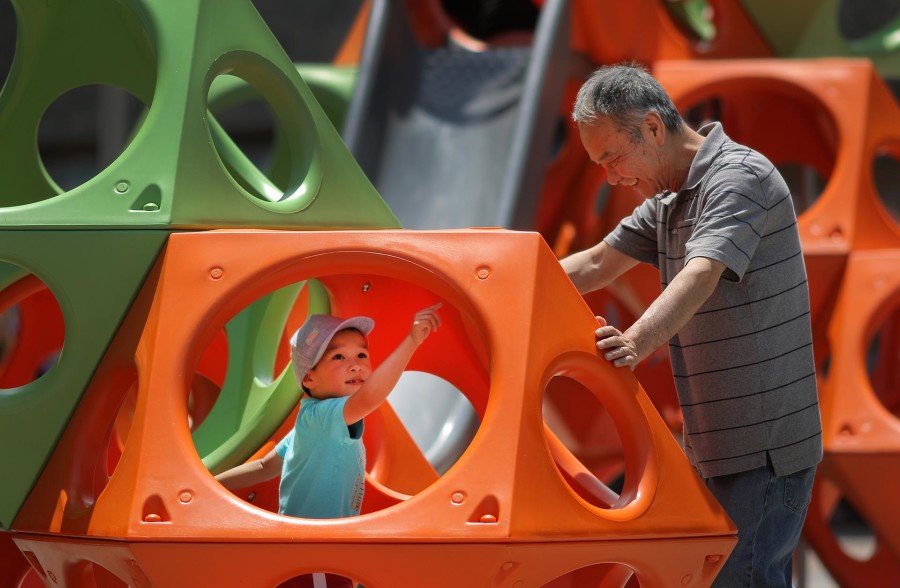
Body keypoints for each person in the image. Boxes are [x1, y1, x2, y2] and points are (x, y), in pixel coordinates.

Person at [560, 63, 822, 587]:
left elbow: (702, 272)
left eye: (612, 157)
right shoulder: (668, 200)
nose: (611, 176)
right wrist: (496, 288)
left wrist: (633, 341)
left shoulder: (739, 178)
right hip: (713, 444)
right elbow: (593, 265)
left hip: (762, 447)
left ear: (654, 128)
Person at [215, 303, 442, 588]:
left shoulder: (308, 422)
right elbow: (370, 398)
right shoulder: (324, 417)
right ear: (309, 378)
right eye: (338, 356)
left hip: (315, 548)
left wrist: (211, 486)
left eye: (362, 353)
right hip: (316, 550)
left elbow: (266, 465)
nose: (356, 363)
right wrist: (411, 342)